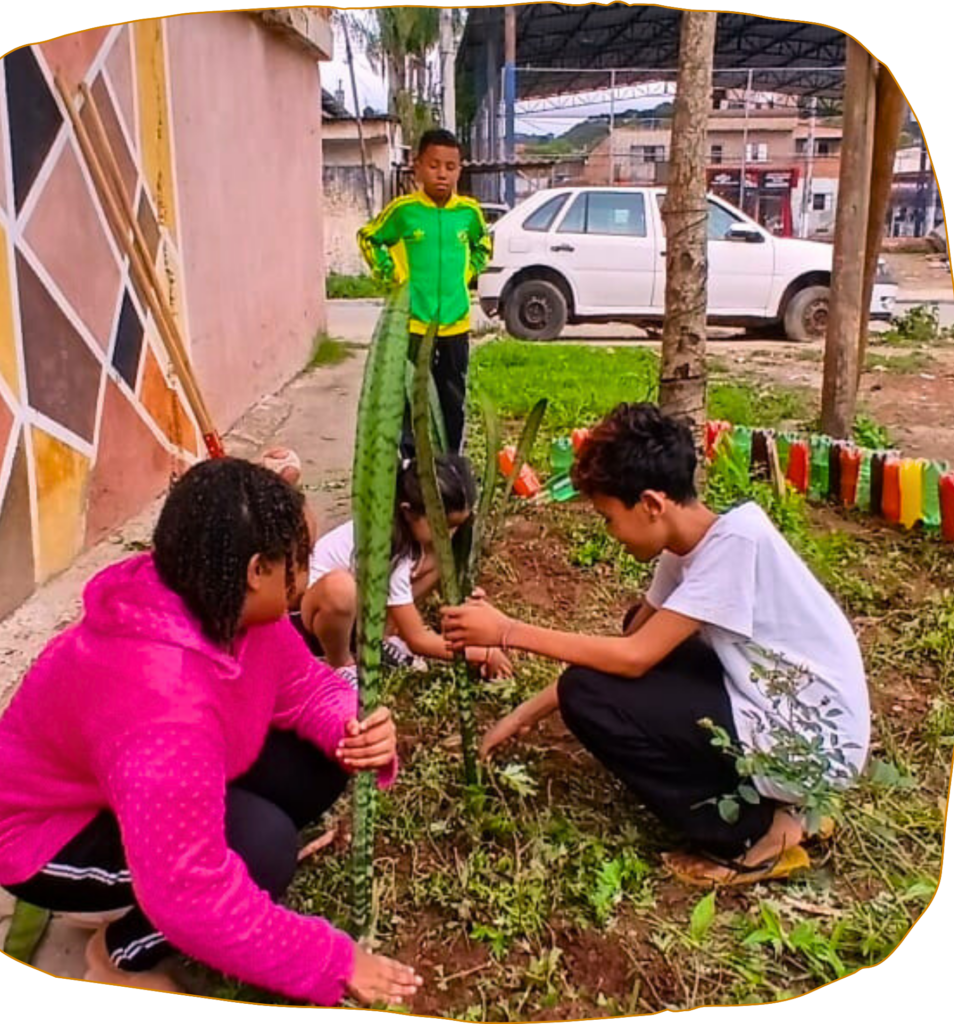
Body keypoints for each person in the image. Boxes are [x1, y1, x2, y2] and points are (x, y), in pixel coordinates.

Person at [0, 458, 422, 1006]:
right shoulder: (161, 701)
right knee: (261, 851)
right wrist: (332, 958)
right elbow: (190, 890)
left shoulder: (229, 605)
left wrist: (352, 726)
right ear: (257, 571)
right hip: (42, 836)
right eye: (297, 565)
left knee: (319, 757)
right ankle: (116, 953)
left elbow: (304, 687)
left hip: (134, 785)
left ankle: (148, 886)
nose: (305, 580)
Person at [441, 403, 870, 887]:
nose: (610, 533)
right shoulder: (695, 542)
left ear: (650, 503)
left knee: (589, 692)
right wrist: (521, 716)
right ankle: (782, 803)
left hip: (813, 747)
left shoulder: (735, 547)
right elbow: (631, 643)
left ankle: (756, 835)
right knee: (627, 641)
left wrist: (507, 631)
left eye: (608, 517)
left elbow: (632, 660)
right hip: (788, 712)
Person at [297, 454, 512, 684]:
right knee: (341, 590)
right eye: (444, 526)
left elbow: (450, 587)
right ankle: (340, 663)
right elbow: (419, 640)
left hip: (361, 609)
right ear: (408, 511)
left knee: (440, 561)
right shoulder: (386, 547)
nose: (448, 536)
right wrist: (483, 654)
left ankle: (383, 638)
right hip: (320, 619)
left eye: (457, 527)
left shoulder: (414, 536)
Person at [357, 128, 492, 459]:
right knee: (409, 399)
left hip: (455, 325)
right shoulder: (403, 212)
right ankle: (410, 465)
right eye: (434, 165)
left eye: (450, 166)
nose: (442, 173)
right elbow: (368, 238)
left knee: (452, 399)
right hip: (413, 325)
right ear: (417, 167)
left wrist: (467, 274)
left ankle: (449, 463)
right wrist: (394, 276)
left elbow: (484, 245)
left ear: (460, 169)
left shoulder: (469, 213)